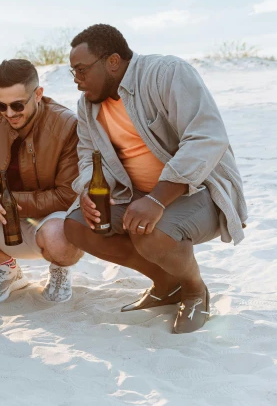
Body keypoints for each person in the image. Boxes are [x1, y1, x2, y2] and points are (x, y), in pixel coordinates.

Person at [63, 24, 248, 334]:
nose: (77, 81)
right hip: (137, 195)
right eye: (73, 73)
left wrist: (156, 199)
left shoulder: (167, 73)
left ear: (112, 61)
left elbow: (206, 138)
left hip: (201, 191)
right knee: (78, 225)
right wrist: (87, 189)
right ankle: (166, 284)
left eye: (82, 70)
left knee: (149, 232)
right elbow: (87, 156)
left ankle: (193, 290)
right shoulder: (87, 107)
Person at [0, 59, 83, 304]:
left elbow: (67, 195)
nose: (9, 114)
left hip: (47, 220)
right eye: (1, 105)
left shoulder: (66, 125)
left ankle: (60, 269)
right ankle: (7, 269)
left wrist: (7, 202)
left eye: (18, 105)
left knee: (61, 240)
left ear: (38, 94)